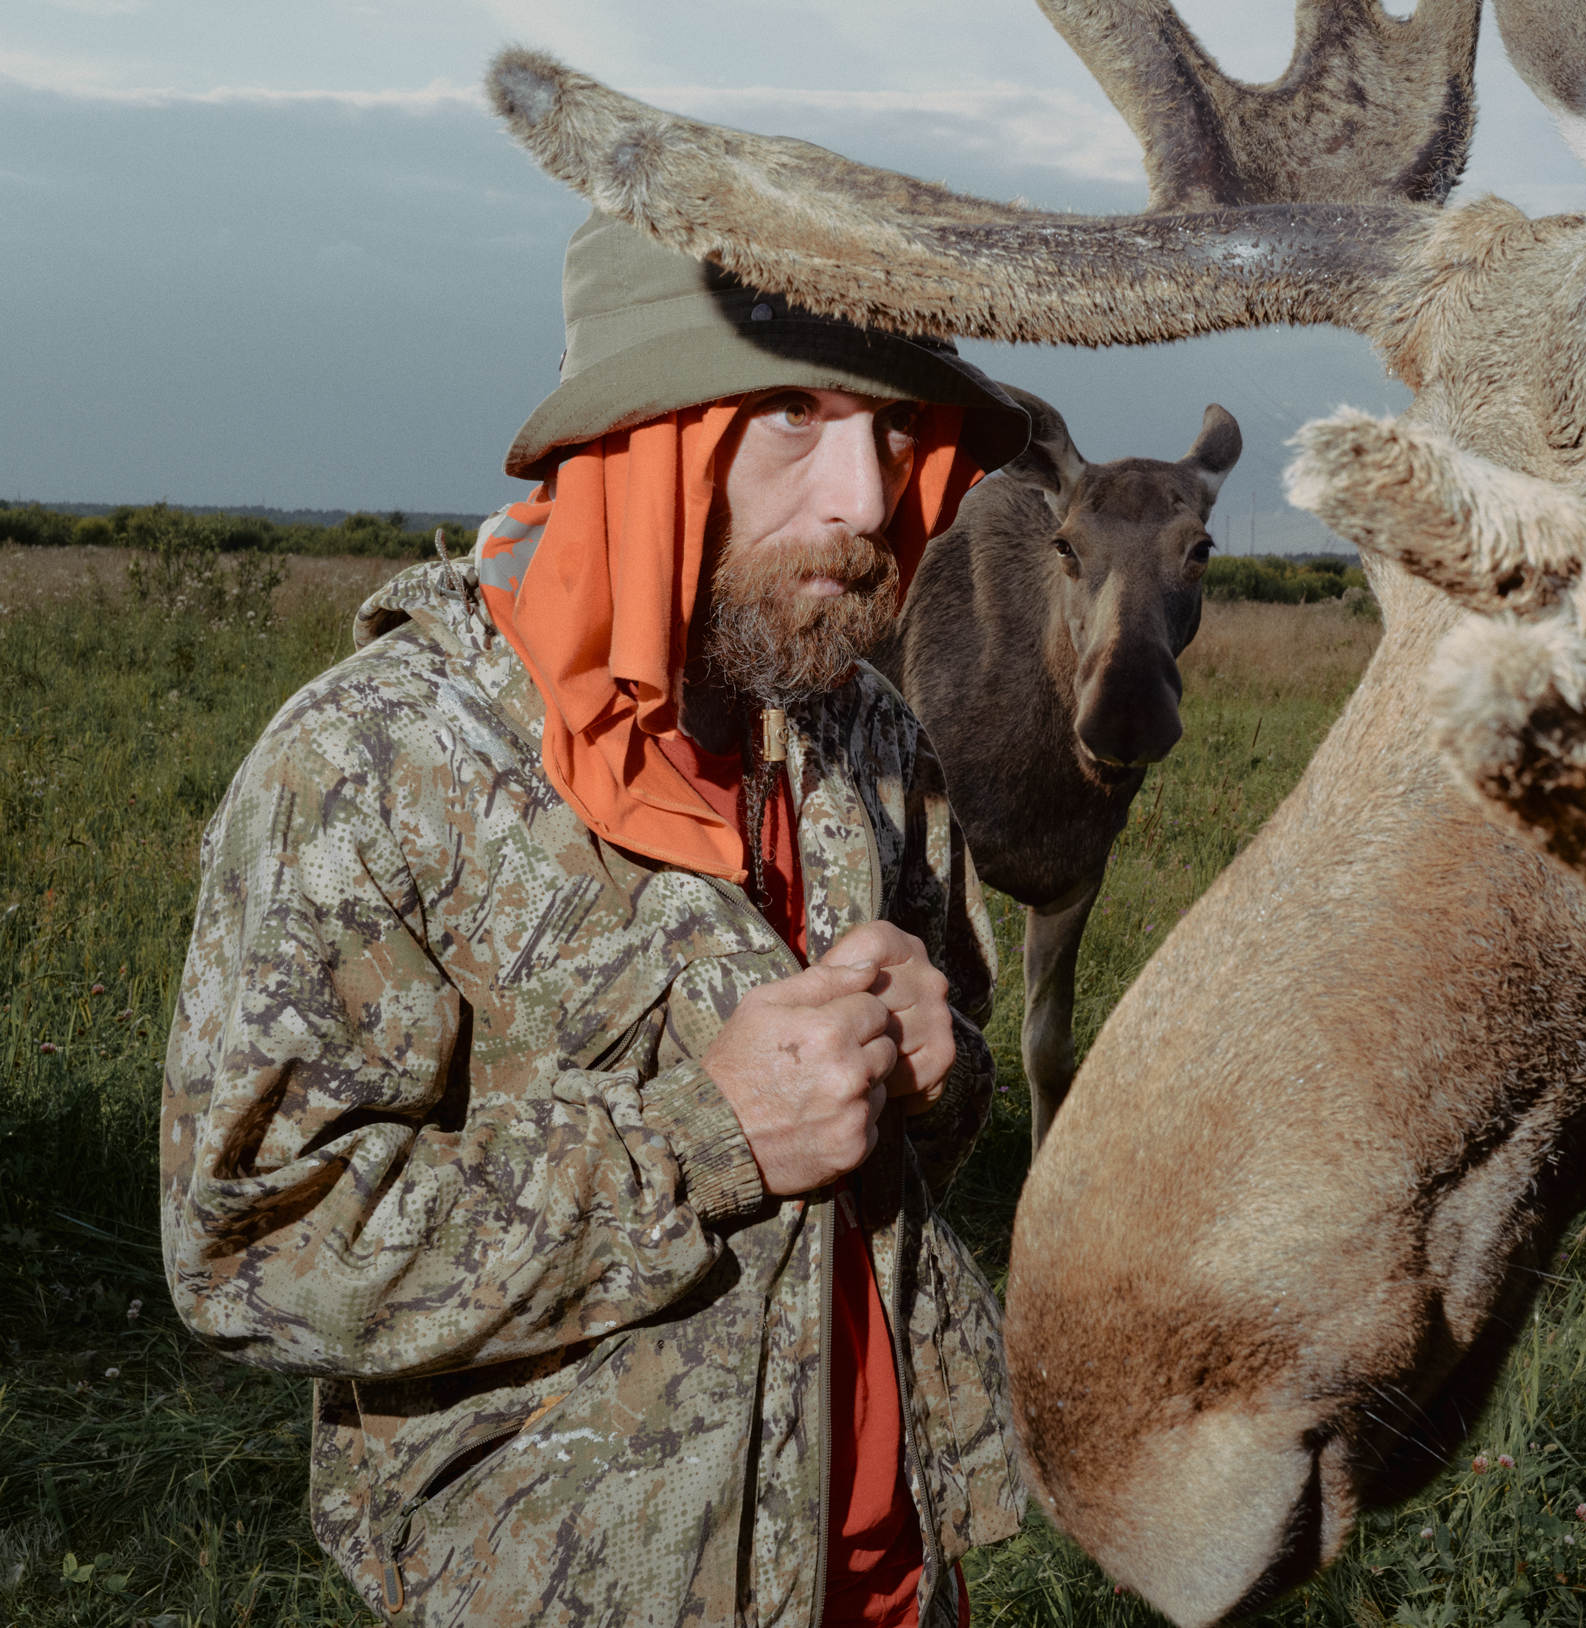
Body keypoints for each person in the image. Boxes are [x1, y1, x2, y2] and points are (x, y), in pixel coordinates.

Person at [158, 209, 1035, 1627]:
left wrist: (942, 1072)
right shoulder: (373, 768)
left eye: (892, 430)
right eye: (791, 421)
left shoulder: (863, 730)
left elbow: (934, 1121)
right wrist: (701, 1143)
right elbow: (253, 1250)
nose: (865, 501)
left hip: (888, 1573)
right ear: (650, 440)